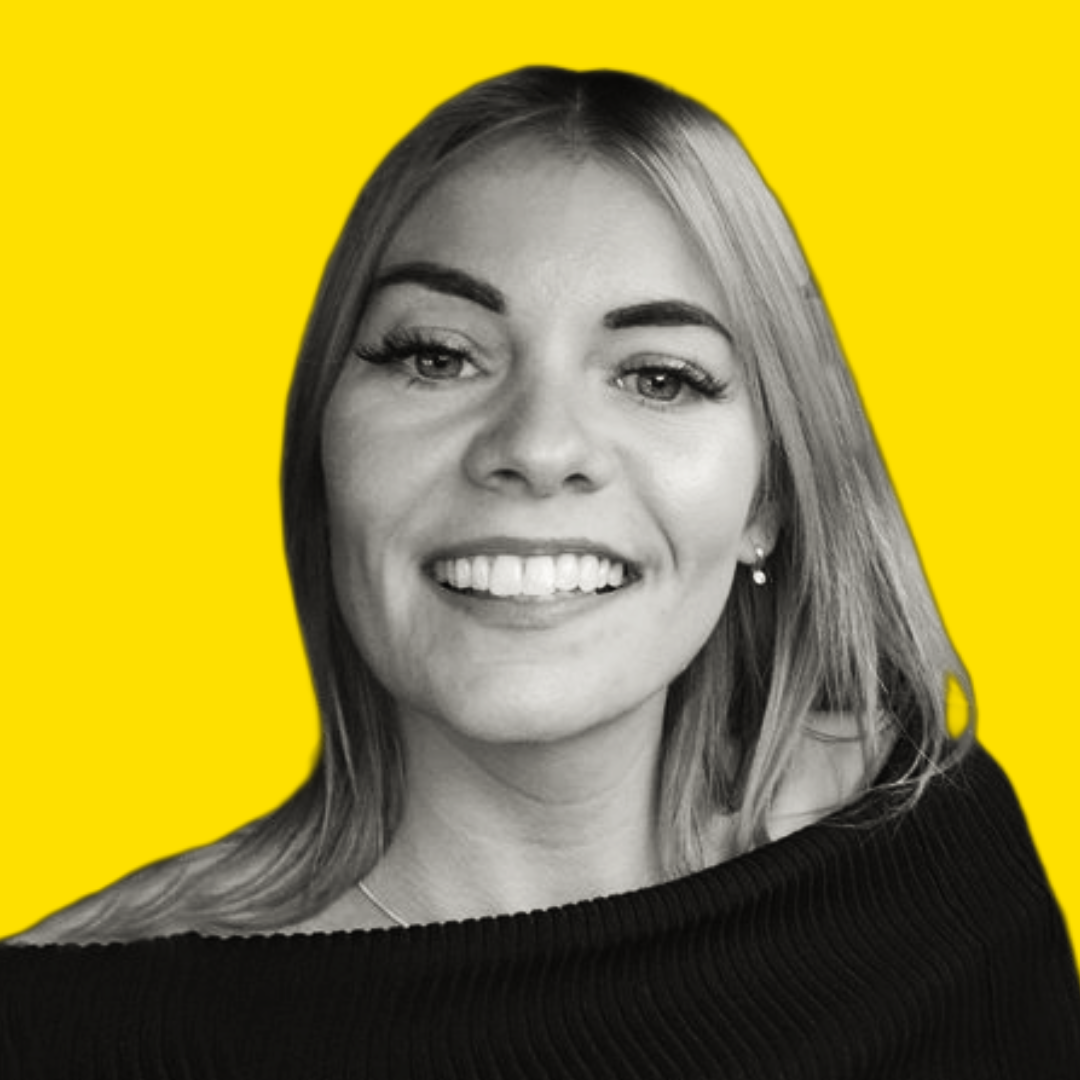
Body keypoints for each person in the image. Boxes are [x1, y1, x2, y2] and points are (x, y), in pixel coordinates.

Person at [3, 66, 1078, 1078]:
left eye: (660, 377)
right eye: (436, 356)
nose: (538, 446)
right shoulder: (65, 1035)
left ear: (769, 502)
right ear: (327, 457)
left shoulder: (937, 860)